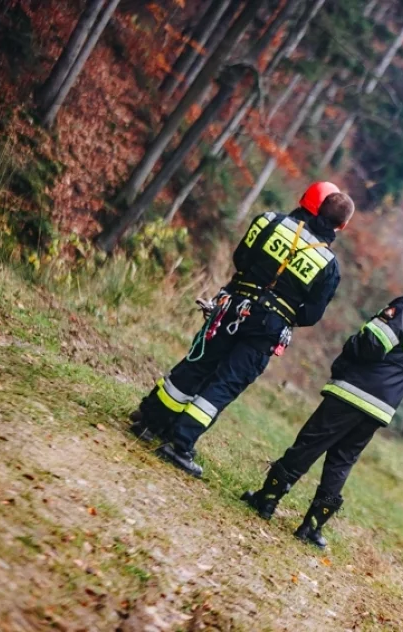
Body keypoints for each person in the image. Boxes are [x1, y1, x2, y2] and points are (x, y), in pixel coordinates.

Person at [128, 182, 355, 478]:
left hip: (234, 305)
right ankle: (180, 444)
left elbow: (241, 259)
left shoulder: (269, 221)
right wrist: (282, 311)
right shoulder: (329, 265)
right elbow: (311, 314)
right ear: (343, 226)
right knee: (226, 383)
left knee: (199, 363)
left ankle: (149, 421)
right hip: (268, 329)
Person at [241, 251, 403, 548]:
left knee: (309, 444)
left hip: (354, 391)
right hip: (382, 405)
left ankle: (267, 498)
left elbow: (372, 344)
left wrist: (350, 346)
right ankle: (312, 527)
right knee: (342, 461)